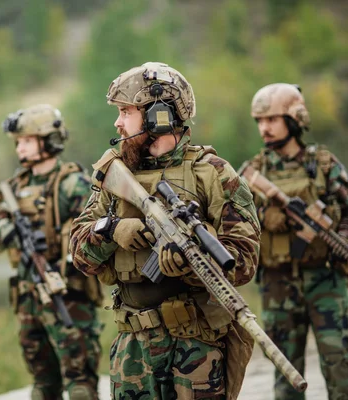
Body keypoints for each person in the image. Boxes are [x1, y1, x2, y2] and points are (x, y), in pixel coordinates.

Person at [69, 62, 261, 399]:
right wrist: (111, 229)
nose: (117, 121)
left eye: (126, 111)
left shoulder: (213, 174)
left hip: (196, 346)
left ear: (158, 114)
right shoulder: (115, 174)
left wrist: (192, 258)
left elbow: (244, 262)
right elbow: (79, 255)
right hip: (133, 349)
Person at [241, 83, 348, 400]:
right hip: (277, 284)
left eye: (272, 119)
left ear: (294, 119)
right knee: (286, 375)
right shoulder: (253, 172)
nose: (264, 128)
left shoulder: (323, 165)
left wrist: (345, 240)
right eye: (259, 120)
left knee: (340, 365)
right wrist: (264, 216)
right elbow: (234, 224)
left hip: (324, 280)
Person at [0, 104, 103, 400]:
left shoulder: (73, 185)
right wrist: (8, 232)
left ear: (48, 140)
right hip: (28, 301)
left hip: (69, 297)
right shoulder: (14, 187)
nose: (19, 148)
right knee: (42, 388)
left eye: (26, 141)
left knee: (80, 388)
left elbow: (97, 235)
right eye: (18, 142)